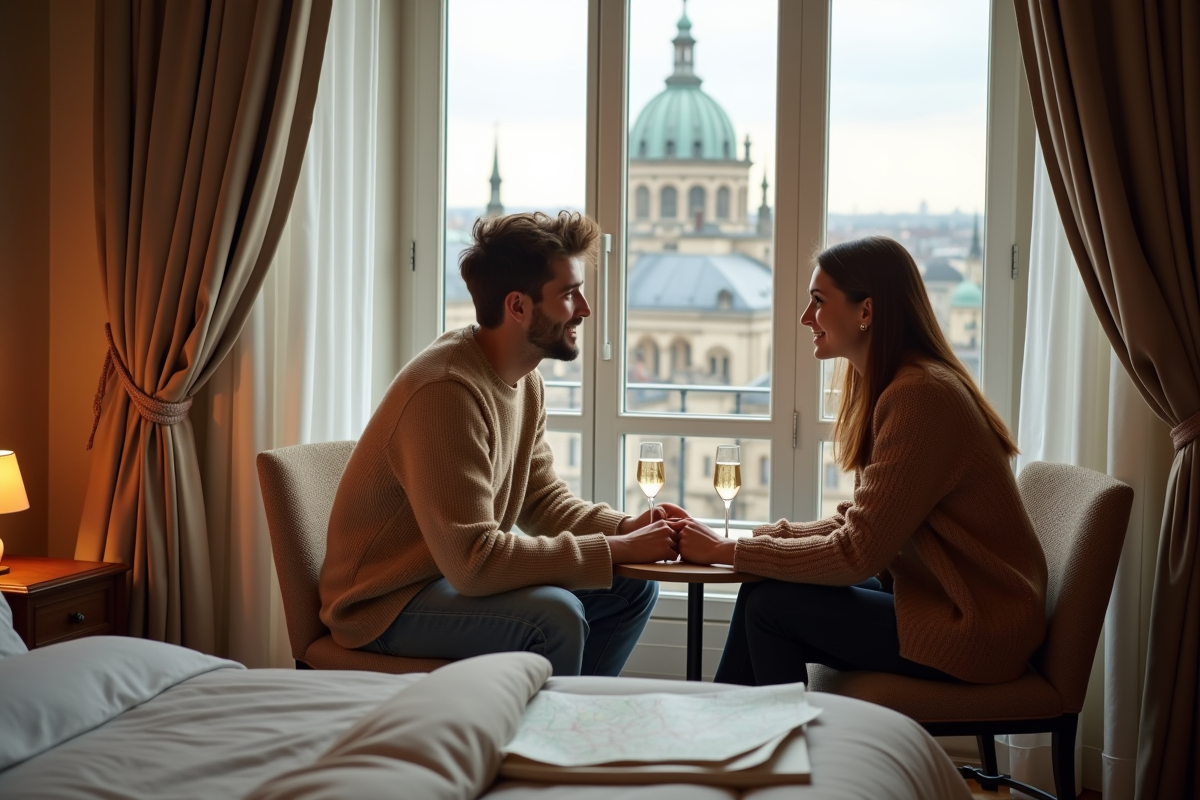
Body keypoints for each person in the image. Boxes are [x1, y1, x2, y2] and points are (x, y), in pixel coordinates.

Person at [320, 211, 682, 677]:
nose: (585, 309)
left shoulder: (525, 381)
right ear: (518, 306)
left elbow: (542, 500)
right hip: (384, 604)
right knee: (554, 617)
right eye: (569, 294)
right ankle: (547, 721)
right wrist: (615, 549)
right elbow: (474, 563)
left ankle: (570, 710)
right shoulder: (446, 391)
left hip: (446, 578)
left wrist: (628, 528)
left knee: (632, 588)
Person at [677, 236, 1048, 687]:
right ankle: (736, 726)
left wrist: (729, 551)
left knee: (769, 607)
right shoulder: (900, 385)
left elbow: (857, 553)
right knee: (766, 588)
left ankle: (752, 727)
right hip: (934, 597)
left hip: (977, 625)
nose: (805, 317)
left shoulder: (921, 397)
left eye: (818, 301)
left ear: (865, 311)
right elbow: (861, 522)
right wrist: (753, 541)